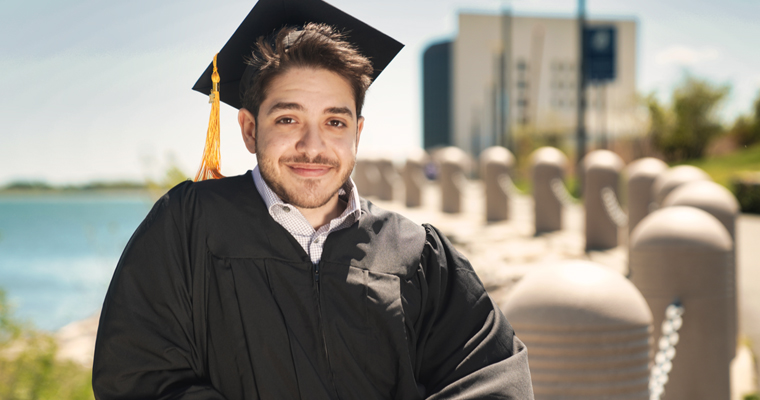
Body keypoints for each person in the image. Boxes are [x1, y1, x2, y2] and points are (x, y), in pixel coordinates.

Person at [92, 0, 533, 398]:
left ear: (357, 133)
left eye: (335, 123)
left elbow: (489, 372)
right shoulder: (189, 226)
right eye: (288, 118)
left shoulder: (413, 252)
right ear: (249, 129)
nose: (312, 146)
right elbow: (138, 375)